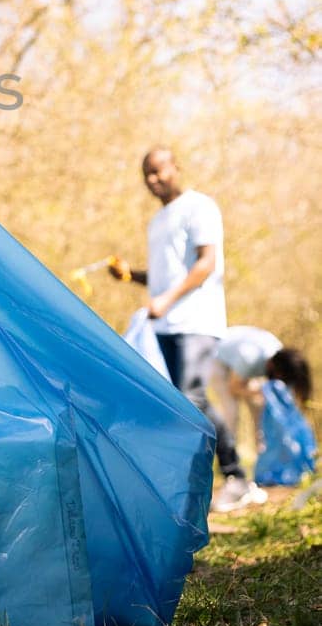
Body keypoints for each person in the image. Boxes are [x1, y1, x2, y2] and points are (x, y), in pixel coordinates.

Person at [108, 147, 267, 512]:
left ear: (175, 167)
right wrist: (131, 275)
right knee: (182, 401)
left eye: (158, 170)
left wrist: (166, 300)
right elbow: (165, 278)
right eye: (146, 174)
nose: (152, 179)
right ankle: (202, 483)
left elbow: (207, 263)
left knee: (191, 397)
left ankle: (237, 477)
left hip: (197, 320)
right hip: (163, 325)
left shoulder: (200, 207)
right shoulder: (157, 221)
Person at [209, 328, 312, 448]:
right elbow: (233, 388)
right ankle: (226, 455)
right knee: (232, 411)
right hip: (217, 357)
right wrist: (261, 390)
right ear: (278, 372)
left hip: (239, 357)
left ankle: (262, 451)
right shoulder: (249, 360)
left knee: (259, 408)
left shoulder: (279, 354)